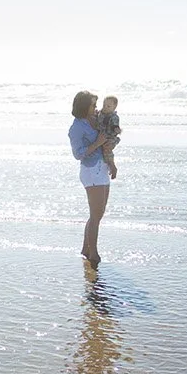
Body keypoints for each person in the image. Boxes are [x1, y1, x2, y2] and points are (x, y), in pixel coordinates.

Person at [68, 90, 110, 267]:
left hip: (103, 168)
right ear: (84, 107)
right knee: (95, 215)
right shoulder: (76, 127)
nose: (96, 107)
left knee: (98, 214)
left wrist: (112, 163)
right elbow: (78, 154)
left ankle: (86, 248)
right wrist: (98, 143)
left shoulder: (96, 120)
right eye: (93, 105)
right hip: (90, 170)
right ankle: (93, 252)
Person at [97, 95, 122, 179]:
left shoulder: (113, 117)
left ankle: (112, 166)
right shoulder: (101, 113)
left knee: (107, 150)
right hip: (102, 135)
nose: (105, 107)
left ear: (114, 107)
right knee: (103, 150)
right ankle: (106, 165)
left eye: (108, 106)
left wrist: (116, 129)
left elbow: (115, 125)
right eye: (104, 105)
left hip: (110, 136)